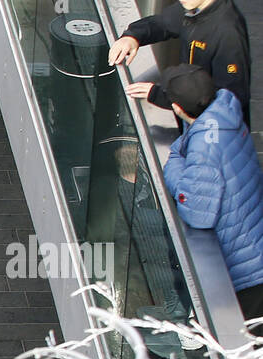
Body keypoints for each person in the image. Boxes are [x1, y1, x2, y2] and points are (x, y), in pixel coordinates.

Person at [160, 65, 263, 326]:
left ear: (178, 109)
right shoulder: (225, 110)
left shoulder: (205, 146)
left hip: (247, 269)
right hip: (254, 244)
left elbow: (195, 210)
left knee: (245, 347)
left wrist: (173, 162)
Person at [108, 0, 251, 127]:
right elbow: (162, 23)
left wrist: (162, 96)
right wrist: (132, 36)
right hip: (193, 116)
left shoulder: (229, 35)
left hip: (215, 131)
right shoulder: (193, 6)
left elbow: (230, 99)